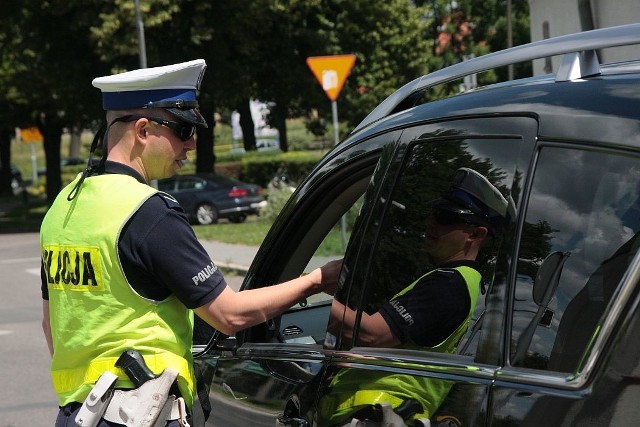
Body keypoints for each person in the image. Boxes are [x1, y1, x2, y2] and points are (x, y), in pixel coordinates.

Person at [40, 59, 337, 427]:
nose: (192, 144)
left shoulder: (63, 207)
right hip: (139, 416)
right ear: (143, 129)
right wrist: (317, 280)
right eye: (183, 129)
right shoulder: (148, 213)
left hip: (77, 414)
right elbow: (230, 315)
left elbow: (51, 325)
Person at [320, 167, 512, 426]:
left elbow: (371, 334)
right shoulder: (470, 284)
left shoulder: (449, 285)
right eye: (434, 213)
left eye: (446, 217)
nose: (431, 222)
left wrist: (308, 288)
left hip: (377, 415)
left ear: (476, 234)